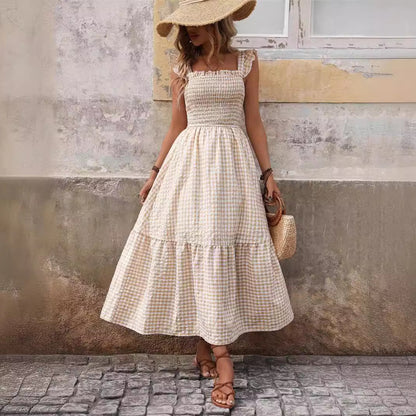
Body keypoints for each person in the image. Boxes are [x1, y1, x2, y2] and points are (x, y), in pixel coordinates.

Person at [100, 0, 294, 409]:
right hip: (189, 166)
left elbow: (253, 120)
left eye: (196, 25)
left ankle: (207, 350)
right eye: (184, 27)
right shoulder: (182, 68)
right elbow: (177, 125)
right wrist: (154, 173)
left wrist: (268, 173)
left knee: (218, 250)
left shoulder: (246, 62)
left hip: (233, 166)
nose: (188, 32)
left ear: (217, 23)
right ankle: (220, 360)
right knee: (198, 249)